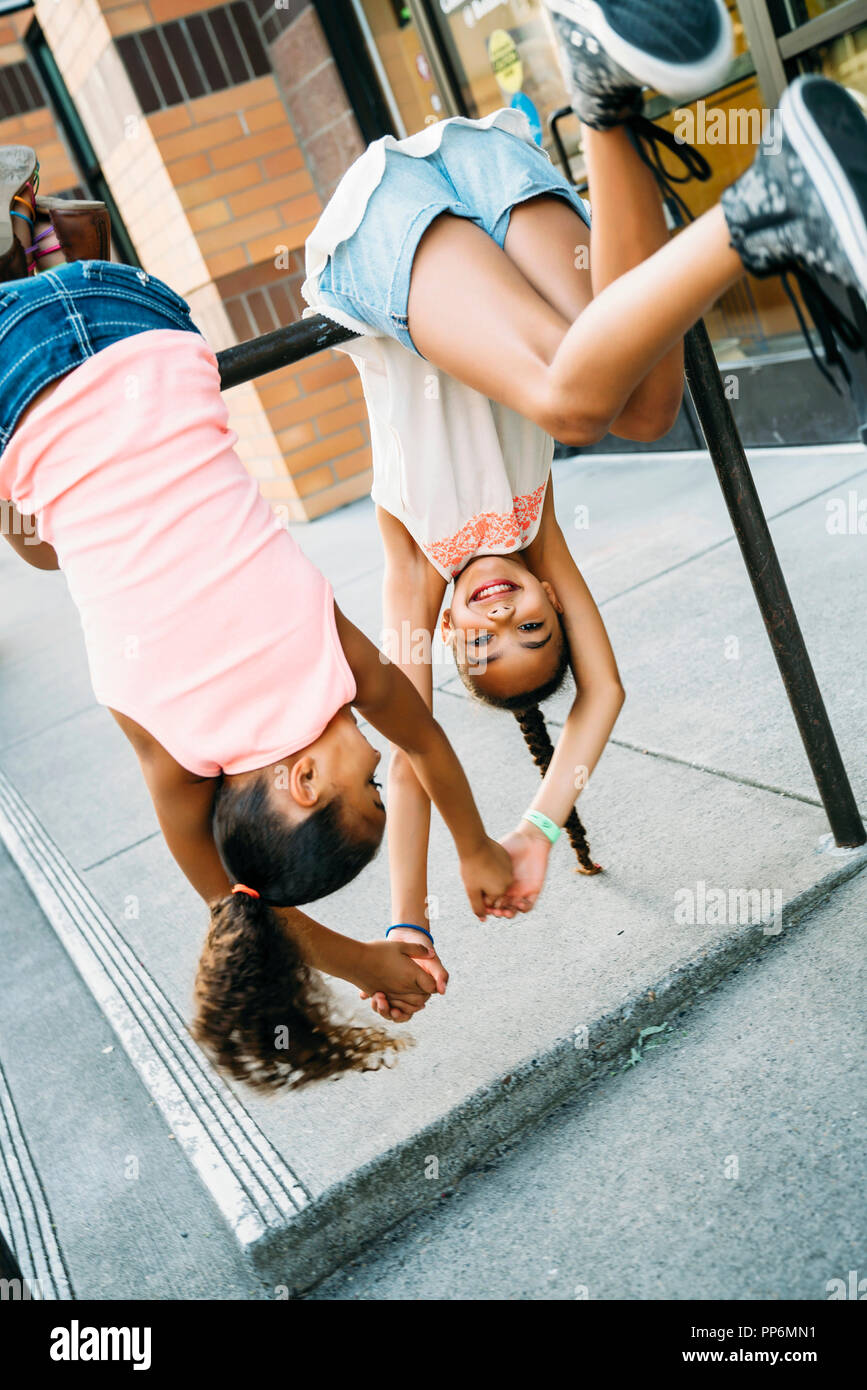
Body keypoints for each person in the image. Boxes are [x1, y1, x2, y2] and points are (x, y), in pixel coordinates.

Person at [300, 0, 867, 1020]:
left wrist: (407, 920)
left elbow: (412, 740)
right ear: (558, 604)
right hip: (482, 176)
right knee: (643, 401)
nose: (502, 610)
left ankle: (766, 203)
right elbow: (602, 695)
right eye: (535, 626)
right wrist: (540, 830)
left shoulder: (416, 563)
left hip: (383, 229)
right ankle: (604, 100)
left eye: (484, 642)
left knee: (573, 393)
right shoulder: (535, 522)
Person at [0, 251, 520, 1090]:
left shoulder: (328, 662)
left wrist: (475, 846)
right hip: (15, 378)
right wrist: (360, 961)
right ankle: (33, 255)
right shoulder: (167, 747)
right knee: (41, 539)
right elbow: (232, 907)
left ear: (305, 778)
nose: (378, 771)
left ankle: (50, 252)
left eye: (369, 788)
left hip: (144, 323)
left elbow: (421, 738)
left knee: (58, 522)